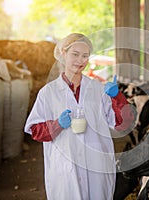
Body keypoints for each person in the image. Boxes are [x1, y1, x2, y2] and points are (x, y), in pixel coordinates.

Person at [24, 33, 134, 200]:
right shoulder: (49, 92)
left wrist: (117, 97)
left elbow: (121, 124)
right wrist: (57, 124)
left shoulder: (98, 89)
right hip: (65, 167)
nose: (80, 60)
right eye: (75, 54)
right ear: (63, 54)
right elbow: (34, 130)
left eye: (85, 56)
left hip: (96, 165)